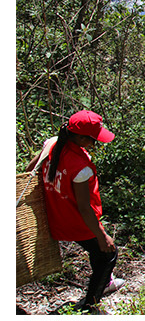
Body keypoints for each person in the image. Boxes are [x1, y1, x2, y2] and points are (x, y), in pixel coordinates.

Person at [25, 110, 122, 313]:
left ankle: (101, 283)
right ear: (79, 137)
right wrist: (102, 235)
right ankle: (90, 304)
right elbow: (84, 208)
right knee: (108, 254)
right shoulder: (81, 167)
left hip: (57, 215)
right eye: (92, 139)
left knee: (97, 252)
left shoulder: (51, 143)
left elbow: (30, 170)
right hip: (77, 222)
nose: (95, 143)